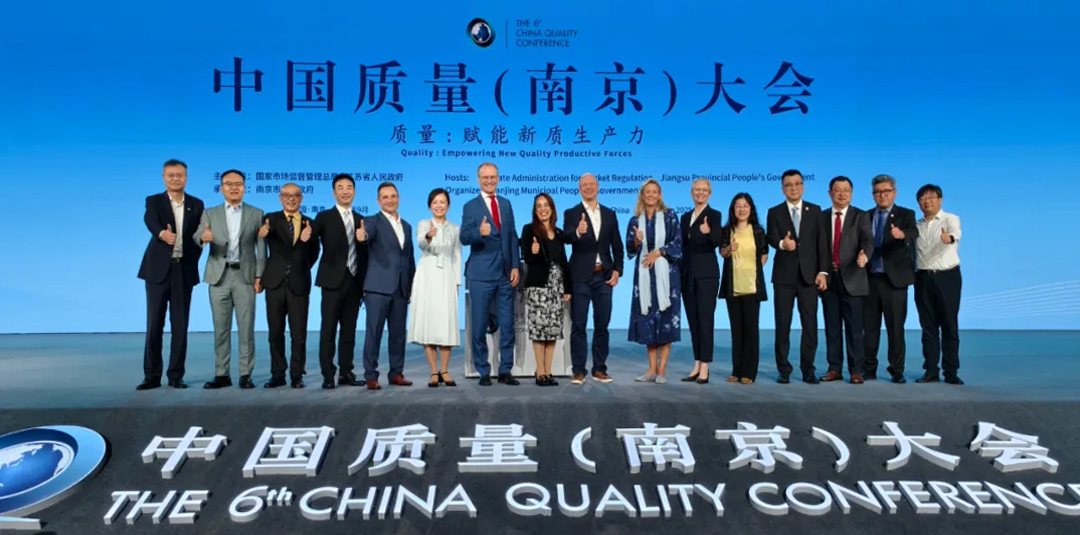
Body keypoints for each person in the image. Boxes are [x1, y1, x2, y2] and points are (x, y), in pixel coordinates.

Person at [137, 159, 205, 390]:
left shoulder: (196, 204)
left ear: (186, 177)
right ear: (163, 177)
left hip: (182, 271)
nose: (176, 179)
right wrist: (161, 234)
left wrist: (203, 240)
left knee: (180, 325)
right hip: (157, 271)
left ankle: (176, 375)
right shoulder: (154, 201)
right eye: (171, 175)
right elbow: (150, 220)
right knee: (154, 324)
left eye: (180, 175)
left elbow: (198, 234)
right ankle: (151, 376)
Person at [196, 170, 267, 390]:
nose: (234, 187)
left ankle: (245, 374)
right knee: (221, 328)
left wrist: (259, 276)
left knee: (246, 328)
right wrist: (203, 238)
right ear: (221, 188)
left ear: (244, 187)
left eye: (238, 184)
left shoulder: (256, 213)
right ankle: (222, 374)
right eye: (229, 184)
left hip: (245, 276)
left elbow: (261, 249)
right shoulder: (210, 213)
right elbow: (198, 235)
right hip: (219, 276)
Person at [459, 162, 521, 386]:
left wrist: (515, 265)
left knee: (508, 324)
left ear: (498, 178)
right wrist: (479, 232)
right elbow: (464, 237)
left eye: (493, 177)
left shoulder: (505, 203)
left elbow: (512, 235)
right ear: (478, 180)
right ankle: (483, 371)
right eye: (485, 177)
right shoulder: (470, 206)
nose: (489, 181)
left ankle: (505, 370)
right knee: (478, 326)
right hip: (481, 274)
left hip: (505, 274)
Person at [766, 169, 829, 384]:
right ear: (782, 189)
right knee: (782, 325)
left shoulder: (815, 210)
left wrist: (822, 272)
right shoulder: (774, 211)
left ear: (803, 186)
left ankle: (808, 369)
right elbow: (772, 237)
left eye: (797, 183)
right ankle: (784, 370)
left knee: (810, 325)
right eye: (788, 184)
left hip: (809, 277)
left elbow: (822, 244)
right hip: (783, 277)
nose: (793, 188)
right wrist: (783, 244)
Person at [563, 173, 622, 385]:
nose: (588, 187)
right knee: (579, 325)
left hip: (604, 276)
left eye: (591, 184)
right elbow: (566, 237)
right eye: (584, 185)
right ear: (579, 189)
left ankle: (599, 368)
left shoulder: (609, 213)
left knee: (602, 325)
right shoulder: (571, 213)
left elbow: (617, 245)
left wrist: (618, 270)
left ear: (597, 187)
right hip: (580, 277)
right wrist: (578, 232)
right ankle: (578, 370)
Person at [260, 183, 320, 389]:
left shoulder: (309, 223)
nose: (291, 199)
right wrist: (263, 232)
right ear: (280, 198)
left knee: (298, 333)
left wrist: (301, 260)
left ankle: (297, 375)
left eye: (295, 195)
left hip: (299, 283)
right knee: (275, 332)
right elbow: (263, 239)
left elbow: (314, 253)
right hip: (274, 283)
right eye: (286, 195)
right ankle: (277, 374)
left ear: (301, 198)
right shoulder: (270, 219)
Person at [311, 174, 368, 389]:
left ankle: (346, 372)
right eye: (341, 188)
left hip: (354, 282)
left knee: (349, 331)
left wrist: (364, 241)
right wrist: (307, 236)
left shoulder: (361, 219)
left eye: (349, 187)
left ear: (354, 191)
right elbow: (311, 243)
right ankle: (328, 375)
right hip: (332, 282)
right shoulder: (324, 217)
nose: (345, 191)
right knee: (328, 330)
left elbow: (365, 254)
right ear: (334, 193)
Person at [359, 182, 416, 390]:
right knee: (373, 333)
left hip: (400, 288)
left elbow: (409, 258)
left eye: (393, 196)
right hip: (378, 287)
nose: (390, 200)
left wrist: (411, 286)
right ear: (378, 201)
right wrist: (363, 236)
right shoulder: (371, 221)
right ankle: (370, 375)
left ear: (398, 198)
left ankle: (396, 373)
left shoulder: (407, 226)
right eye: (385, 197)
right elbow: (367, 235)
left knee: (398, 334)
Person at [863, 174, 918, 383]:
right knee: (869, 328)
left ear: (894, 192)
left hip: (894, 282)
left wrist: (901, 235)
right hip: (870, 279)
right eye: (877, 192)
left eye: (886, 191)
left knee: (895, 328)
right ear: (872, 195)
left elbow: (913, 232)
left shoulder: (906, 214)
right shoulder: (866, 216)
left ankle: (897, 370)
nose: (882, 195)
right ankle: (869, 369)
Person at [627, 179, 682, 384]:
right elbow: (630, 249)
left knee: (665, 320)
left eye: (654, 192)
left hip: (666, 275)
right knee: (648, 320)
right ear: (642, 195)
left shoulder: (670, 216)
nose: (650, 195)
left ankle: (662, 370)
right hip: (644, 276)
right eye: (647, 192)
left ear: (659, 195)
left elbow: (678, 243)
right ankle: (651, 369)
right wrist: (637, 241)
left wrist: (658, 253)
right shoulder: (635, 220)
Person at [820, 176, 874, 384]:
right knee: (832, 327)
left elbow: (868, 240)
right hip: (829, 279)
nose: (842, 194)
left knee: (855, 329)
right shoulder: (822, 217)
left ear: (851, 193)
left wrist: (865, 256)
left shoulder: (861, 216)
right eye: (837, 190)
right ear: (830, 193)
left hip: (853, 278)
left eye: (846, 190)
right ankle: (834, 368)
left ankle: (856, 370)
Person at [408, 188, 462, 388]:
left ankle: (444, 370)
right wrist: (429, 237)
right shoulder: (423, 224)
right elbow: (421, 245)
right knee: (429, 322)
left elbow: (457, 255)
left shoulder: (455, 228)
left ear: (448, 205)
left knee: (446, 323)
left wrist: (457, 282)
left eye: (442, 202)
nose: (439, 206)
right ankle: (433, 371)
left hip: (446, 275)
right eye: (435, 202)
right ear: (430, 206)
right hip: (427, 274)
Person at [914, 184, 964, 385]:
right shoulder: (916, 225)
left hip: (947, 277)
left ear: (940, 200)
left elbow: (955, 234)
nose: (927, 202)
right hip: (923, 278)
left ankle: (951, 372)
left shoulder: (950, 219)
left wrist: (948, 238)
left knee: (949, 325)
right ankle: (930, 371)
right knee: (928, 327)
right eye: (922, 199)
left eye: (931, 197)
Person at [521, 193, 572, 386]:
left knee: (552, 331)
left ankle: (548, 371)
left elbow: (564, 262)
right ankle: (540, 371)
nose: (543, 209)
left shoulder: (559, 233)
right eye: (539, 206)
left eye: (546, 205)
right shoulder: (529, 229)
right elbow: (527, 258)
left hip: (556, 287)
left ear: (551, 208)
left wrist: (567, 287)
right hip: (538, 287)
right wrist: (533, 252)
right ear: (535, 210)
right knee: (539, 331)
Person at [719, 193, 769, 384]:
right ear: (733, 209)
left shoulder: (757, 231)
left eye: (745, 206)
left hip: (752, 288)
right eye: (738, 206)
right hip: (733, 287)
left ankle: (749, 372)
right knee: (736, 331)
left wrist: (753, 272)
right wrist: (728, 249)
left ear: (751, 209)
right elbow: (722, 252)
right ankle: (736, 370)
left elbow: (764, 254)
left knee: (751, 331)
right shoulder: (727, 230)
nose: (742, 209)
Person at [679, 178, 722, 384]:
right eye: (697, 190)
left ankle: (705, 365)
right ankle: (697, 362)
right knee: (693, 320)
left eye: (704, 190)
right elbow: (681, 245)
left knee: (705, 320)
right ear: (691, 192)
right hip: (687, 274)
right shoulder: (685, 217)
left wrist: (709, 232)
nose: (700, 193)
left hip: (707, 274)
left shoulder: (714, 215)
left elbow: (717, 241)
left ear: (709, 193)